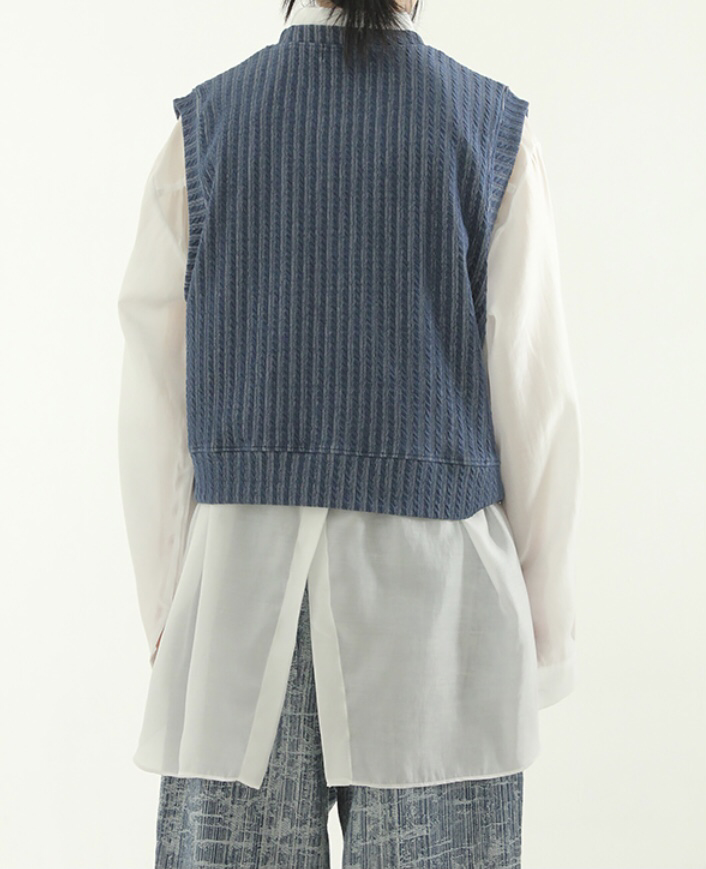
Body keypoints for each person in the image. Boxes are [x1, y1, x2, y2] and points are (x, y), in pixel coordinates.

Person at [117, 0, 582, 866]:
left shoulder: (204, 133)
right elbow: (535, 400)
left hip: (238, 605)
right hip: (439, 612)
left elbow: (155, 393)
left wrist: (168, 607)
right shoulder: (490, 133)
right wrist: (544, 622)